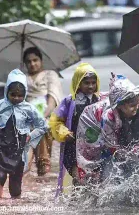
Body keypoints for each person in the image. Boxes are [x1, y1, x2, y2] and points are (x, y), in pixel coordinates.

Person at [76, 74, 139, 183]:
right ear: (119, 106)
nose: (136, 107)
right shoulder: (107, 118)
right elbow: (116, 151)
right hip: (94, 126)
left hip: (125, 131)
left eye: (137, 103)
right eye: (131, 105)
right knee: (98, 169)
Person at [0, 69, 48, 198]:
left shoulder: (29, 108)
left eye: (20, 95)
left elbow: (43, 126)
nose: (16, 98)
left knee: (15, 185)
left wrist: (30, 136)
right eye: (13, 95)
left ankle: (15, 208)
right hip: (0, 149)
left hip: (18, 151)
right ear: (6, 92)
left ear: (25, 93)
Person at [49, 63, 101, 194]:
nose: (90, 86)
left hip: (93, 149)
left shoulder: (99, 101)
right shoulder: (69, 102)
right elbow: (56, 121)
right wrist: (64, 132)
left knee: (94, 182)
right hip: (73, 148)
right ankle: (75, 204)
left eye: (93, 83)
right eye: (86, 83)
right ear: (78, 82)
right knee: (78, 178)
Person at [24, 46, 63, 176]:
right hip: (26, 118)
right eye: (28, 61)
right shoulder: (22, 78)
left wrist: (42, 117)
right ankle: (41, 168)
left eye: (35, 60)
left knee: (41, 128)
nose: (32, 64)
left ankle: (42, 168)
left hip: (48, 115)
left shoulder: (50, 75)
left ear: (41, 61)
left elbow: (53, 99)